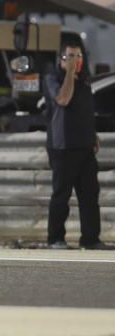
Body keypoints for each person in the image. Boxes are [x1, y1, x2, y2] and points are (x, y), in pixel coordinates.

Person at [42, 44, 109, 250]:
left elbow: (84, 111)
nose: (75, 60)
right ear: (61, 59)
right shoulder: (54, 78)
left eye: (78, 56)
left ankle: (90, 239)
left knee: (89, 195)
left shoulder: (85, 81)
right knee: (61, 194)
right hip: (63, 147)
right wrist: (70, 72)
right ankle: (55, 238)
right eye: (70, 56)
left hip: (84, 146)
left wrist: (93, 135)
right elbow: (63, 99)